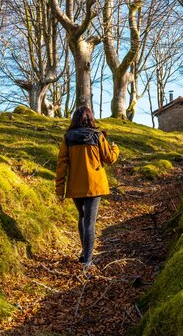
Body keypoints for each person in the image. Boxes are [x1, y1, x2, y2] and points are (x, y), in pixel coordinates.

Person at [55, 107, 119, 270]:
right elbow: (110, 158)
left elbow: (62, 164)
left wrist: (59, 190)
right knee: (90, 222)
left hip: (76, 185)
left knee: (82, 217)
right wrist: (115, 148)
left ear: (74, 119)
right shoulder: (97, 136)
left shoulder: (68, 138)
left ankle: (85, 253)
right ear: (90, 118)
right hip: (94, 185)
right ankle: (88, 262)